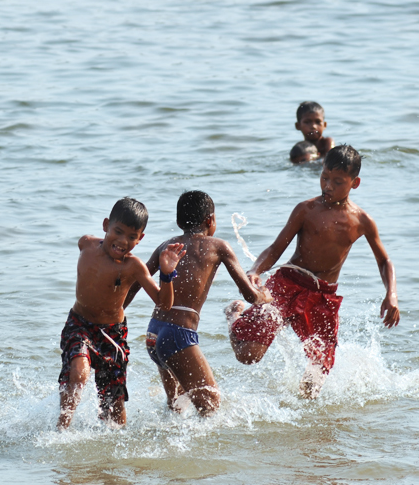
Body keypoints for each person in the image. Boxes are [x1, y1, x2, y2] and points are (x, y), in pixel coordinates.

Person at [226, 145, 400, 398]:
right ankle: (235, 314)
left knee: (314, 382)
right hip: (288, 283)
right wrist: (255, 270)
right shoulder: (306, 210)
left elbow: (384, 261)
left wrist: (391, 294)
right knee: (248, 357)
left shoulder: (362, 221)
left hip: (323, 296)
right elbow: (275, 248)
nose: (328, 186)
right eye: (324, 177)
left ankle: (307, 433)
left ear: (355, 183)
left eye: (337, 181)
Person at [137, 191, 271, 415]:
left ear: (179, 222)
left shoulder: (166, 246)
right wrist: (266, 296)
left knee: (176, 409)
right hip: (178, 335)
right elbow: (249, 295)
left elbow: (135, 281)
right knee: (211, 409)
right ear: (210, 220)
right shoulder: (218, 246)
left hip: (153, 333)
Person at [57, 198, 183, 430]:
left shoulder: (133, 266)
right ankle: (61, 430)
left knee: (113, 403)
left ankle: (116, 442)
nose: (123, 241)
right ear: (106, 225)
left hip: (112, 334)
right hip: (79, 324)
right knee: (78, 373)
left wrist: (166, 274)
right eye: (118, 232)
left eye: (132, 237)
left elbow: (164, 304)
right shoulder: (86, 245)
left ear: (140, 238)